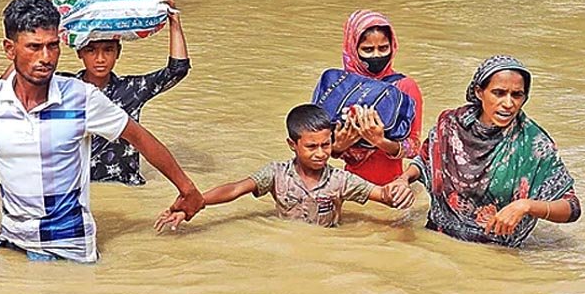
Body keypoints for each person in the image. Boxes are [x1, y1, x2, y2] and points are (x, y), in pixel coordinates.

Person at [0, 0, 204, 263]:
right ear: (10, 49)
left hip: (67, 251)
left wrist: (188, 189)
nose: (46, 58)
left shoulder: (82, 98)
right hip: (12, 244)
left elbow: (140, 138)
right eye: (34, 47)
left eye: (52, 46)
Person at [389, 55, 582, 247]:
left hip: (494, 257)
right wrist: (403, 179)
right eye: (499, 93)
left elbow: (571, 207)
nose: (508, 103)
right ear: (479, 92)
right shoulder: (450, 125)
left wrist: (527, 206)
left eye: (517, 95)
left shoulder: (534, 144)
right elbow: (424, 162)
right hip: (436, 243)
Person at [155, 104, 415, 231]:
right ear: (292, 144)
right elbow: (236, 189)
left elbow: (382, 196)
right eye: (311, 146)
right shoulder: (276, 174)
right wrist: (195, 204)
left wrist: (399, 192)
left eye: (326, 145)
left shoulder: (340, 180)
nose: (321, 153)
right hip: (287, 241)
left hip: (328, 246)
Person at [64, 0, 190, 186]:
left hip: (125, 184)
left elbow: (177, 70)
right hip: (79, 187)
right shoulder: (65, 87)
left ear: (118, 53)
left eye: (108, 50)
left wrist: (174, 19)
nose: (100, 59)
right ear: (79, 53)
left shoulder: (131, 89)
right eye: (91, 50)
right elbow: (19, 77)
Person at [332, 9, 425, 185]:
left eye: (383, 48)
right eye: (367, 49)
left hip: (393, 190)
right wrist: (339, 146)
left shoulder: (404, 87)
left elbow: (414, 147)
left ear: (393, 46)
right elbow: (318, 147)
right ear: (352, 49)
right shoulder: (339, 88)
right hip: (348, 188)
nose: (376, 55)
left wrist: (380, 141)